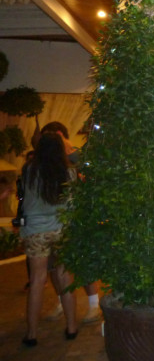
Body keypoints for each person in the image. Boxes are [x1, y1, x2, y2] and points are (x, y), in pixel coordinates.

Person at [40, 121, 102, 324]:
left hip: (75, 219)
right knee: (54, 266)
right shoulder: (47, 162)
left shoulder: (75, 155)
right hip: (52, 222)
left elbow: (88, 171)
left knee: (81, 262)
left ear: (59, 134)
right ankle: (62, 302)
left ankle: (93, 305)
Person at [20, 132, 78, 346]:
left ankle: (32, 334)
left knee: (37, 280)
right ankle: (71, 327)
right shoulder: (68, 172)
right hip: (61, 229)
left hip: (35, 231)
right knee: (64, 276)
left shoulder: (29, 170)